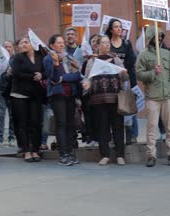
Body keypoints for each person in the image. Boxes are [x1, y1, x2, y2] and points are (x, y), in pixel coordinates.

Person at [83, 36, 128, 166]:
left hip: (115, 99)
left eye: (108, 43)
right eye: (103, 43)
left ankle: (120, 155)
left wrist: (124, 73)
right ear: (98, 46)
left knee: (118, 127)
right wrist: (86, 84)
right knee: (102, 128)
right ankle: (105, 155)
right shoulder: (92, 61)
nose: (106, 45)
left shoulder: (115, 58)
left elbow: (124, 78)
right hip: (98, 100)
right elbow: (87, 78)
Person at [136, 26, 170, 167]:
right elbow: (139, 74)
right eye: (157, 36)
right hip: (152, 97)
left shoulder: (166, 54)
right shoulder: (144, 55)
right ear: (150, 38)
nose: (159, 39)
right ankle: (151, 155)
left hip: (166, 96)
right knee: (151, 127)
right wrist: (153, 72)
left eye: (161, 36)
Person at [43, 34, 82, 166]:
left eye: (62, 42)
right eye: (58, 43)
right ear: (52, 46)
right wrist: (56, 64)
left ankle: (70, 152)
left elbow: (77, 76)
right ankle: (63, 154)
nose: (61, 45)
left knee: (71, 124)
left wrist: (64, 78)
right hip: (58, 95)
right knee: (62, 123)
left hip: (70, 94)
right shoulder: (48, 58)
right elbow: (54, 79)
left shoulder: (69, 57)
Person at [10, 37, 46, 162]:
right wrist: (33, 76)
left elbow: (46, 71)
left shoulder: (40, 56)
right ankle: (26, 151)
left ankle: (35, 150)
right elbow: (16, 73)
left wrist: (42, 75)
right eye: (22, 42)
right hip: (20, 94)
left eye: (26, 42)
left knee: (36, 122)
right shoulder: (18, 58)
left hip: (36, 95)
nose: (24, 44)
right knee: (23, 123)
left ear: (32, 44)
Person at [106, 18, 138, 144]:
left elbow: (131, 61)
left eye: (120, 26)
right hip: (112, 81)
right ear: (110, 29)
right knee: (115, 108)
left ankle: (131, 135)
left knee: (128, 105)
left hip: (126, 80)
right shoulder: (108, 44)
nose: (119, 29)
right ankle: (115, 136)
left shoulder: (126, 43)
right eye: (116, 27)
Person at [0, 41, 16, 147]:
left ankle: (12, 138)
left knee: (12, 115)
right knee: (0, 115)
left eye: (9, 46)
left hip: (12, 90)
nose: (7, 48)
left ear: (13, 48)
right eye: (5, 47)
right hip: (0, 90)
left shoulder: (16, 59)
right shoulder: (0, 61)